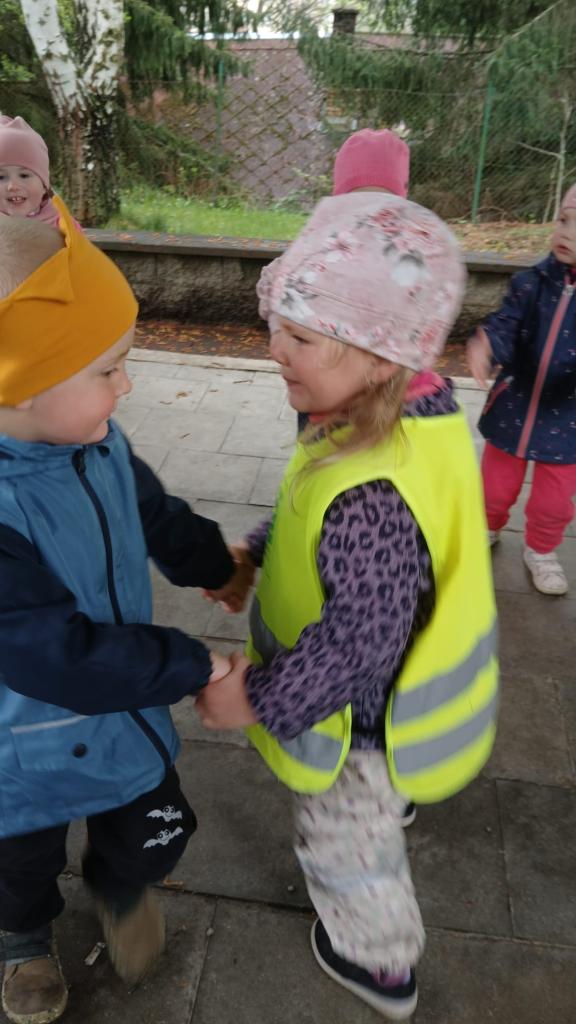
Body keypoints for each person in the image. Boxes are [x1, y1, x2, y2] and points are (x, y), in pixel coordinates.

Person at [197, 192, 499, 1019]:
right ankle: (390, 802)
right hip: (392, 694)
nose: (274, 349)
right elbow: (313, 505)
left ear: (378, 357)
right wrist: (258, 548)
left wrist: (257, 697)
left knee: (346, 848)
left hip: (361, 723)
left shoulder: (374, 496)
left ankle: (377, 960)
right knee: (370, 813)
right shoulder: (396, 412)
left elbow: (357, 643)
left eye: (301, 338)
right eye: (278, 326)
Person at [0, 201, 241, 1024]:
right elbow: (56, 657)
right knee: (17, 857)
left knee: (151, 825)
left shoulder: (94, 439)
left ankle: (120, 883)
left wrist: (214, 564)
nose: (126, 385)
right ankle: (22, 939)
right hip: (19, 744)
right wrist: (194, 662)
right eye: (107, 369)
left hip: (121, 704)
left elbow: (150, 511)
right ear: (22, 381)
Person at [467, 183, 576, 595]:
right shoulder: (530, 283)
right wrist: (487, 343)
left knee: (554, 501)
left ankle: (542, 550)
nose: (566, 232)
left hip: (568, 417)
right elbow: (506, 322)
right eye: (563, 219)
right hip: (514, 404)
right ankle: (487, 526)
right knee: (494, 488)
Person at [295, 128, 410, 437]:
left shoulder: (406, 252)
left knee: (370, 448)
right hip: (322, 377)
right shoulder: (320, 243)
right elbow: (281, 288)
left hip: (376, 384)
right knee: (317, 447)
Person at [0, 115, 75, 228]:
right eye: (1, 177)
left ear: (44, 186)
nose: (13, 186)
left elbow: (78, 240)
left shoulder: (63, 224)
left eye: (24, 175)